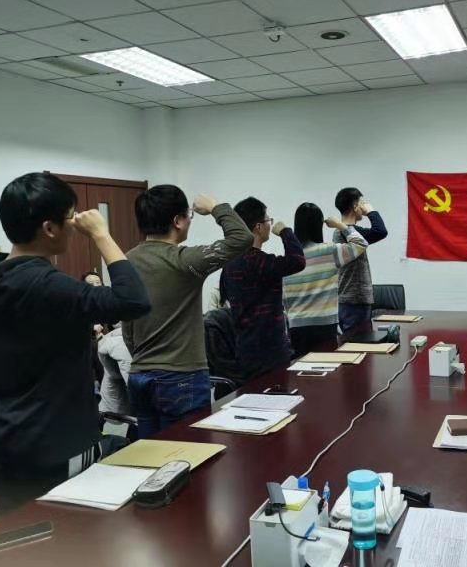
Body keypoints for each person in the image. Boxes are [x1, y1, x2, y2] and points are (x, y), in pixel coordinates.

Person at [0, 172, 150, 512]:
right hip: (59, 445)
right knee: (73, 529)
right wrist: (101, 234)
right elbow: (134, 300)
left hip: (6, 441)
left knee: (20, 532)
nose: (75, 227)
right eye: (71, 219)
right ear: (49, 228)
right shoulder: (49, 286)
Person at [123, 185, 252, 438]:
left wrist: (142, 360)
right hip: (181, 377)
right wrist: (215, 207)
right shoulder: (184, 260)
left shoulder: (126, 260)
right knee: (188, 452)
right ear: (178, 221)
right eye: (188, 215)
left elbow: (127, 324)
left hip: (139, 376)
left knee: (149, 454)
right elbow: (242, 238)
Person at [220, 197, 305, 385]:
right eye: (268, 220)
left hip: (246, 348)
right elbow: (298, 260)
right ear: (258, 227)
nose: (270, 224)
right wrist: (285, 231)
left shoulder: (229, 263)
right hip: (269, 350)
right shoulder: (258, 261)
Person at [284, 203, 368, 356]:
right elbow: (361, 243)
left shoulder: (290, 259)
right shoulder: (328, 251)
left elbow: (286, 300)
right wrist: (341, 225)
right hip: (324, 325)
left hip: (296, 327)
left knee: (301, 368)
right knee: (326, 368)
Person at [333, 188, 388, 335]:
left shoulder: (347, 231)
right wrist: (371, 211)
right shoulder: (347, 232)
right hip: (354, 300)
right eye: (361, 203)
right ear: (355, 206)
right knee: (357, 342)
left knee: (357, 341)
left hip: (351, 299)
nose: (363, 205)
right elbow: (380, 231)